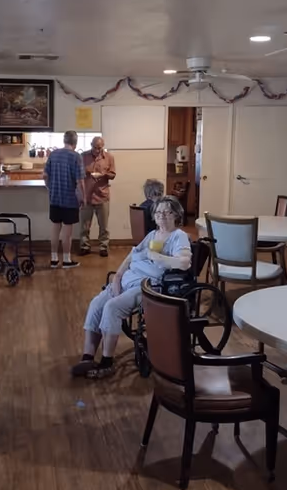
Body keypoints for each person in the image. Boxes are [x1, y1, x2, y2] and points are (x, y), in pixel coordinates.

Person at [72, 196, 191, 379]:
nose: (162, 216)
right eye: (158, 212)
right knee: (96, 303)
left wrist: (158, 257)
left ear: (176, 215)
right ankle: (87, 357)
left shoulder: (178, 236)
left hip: (147, 285)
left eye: (167, 212)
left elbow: (184, 263)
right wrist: (118, 276)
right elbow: (132, 255)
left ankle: (106, 362)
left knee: (112, 307)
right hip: (127, 279)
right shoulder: (152, 235)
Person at [43, 130, 85, 269]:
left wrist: (50, 188)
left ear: (64, 140)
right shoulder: (76, 157)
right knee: (67, 231)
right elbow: (79, 182)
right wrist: (82, 197)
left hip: (54, 198)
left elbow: (45, 176)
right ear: (75, 142)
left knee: (55, 228)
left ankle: (54, 259)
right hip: (70, 199)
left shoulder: (53, 154)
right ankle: (66, 260)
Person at [79, 136, 116, 257]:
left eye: (100, 148)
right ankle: (85, 246)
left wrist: (104, 174)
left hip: (102, 195)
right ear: (91, 145)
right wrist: (86, 171)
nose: (97, 150)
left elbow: (113, 174)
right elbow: (77, 173)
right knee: (85, 224)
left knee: (104, 225)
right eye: (95, 147)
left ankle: (103, 247)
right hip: (87, 195)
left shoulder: (109, 157)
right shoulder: (83, 156)